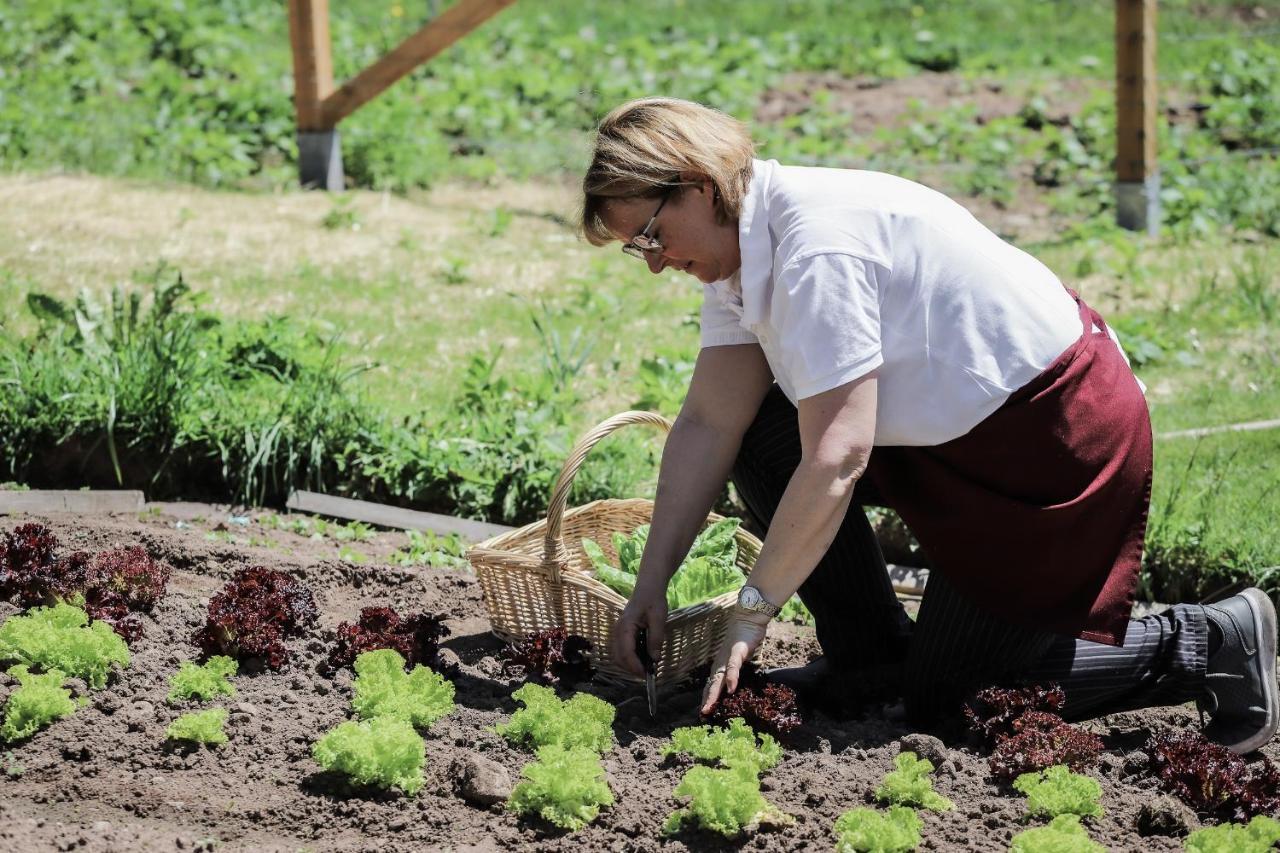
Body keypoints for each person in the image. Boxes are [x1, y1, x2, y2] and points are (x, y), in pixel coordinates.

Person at [579, 97, 1278, 753]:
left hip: (1048, 442)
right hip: (951, 435)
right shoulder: (737, 253)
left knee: (954, 702)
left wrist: (753, 608)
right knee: (759, 432)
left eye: (651, 234)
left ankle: (1206, 639)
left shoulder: (815, 248)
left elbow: (838, 455)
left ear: (699, 184)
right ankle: (871, 659)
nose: (654, 263)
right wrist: (650, 586)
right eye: (634, 247)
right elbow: (707, 423)